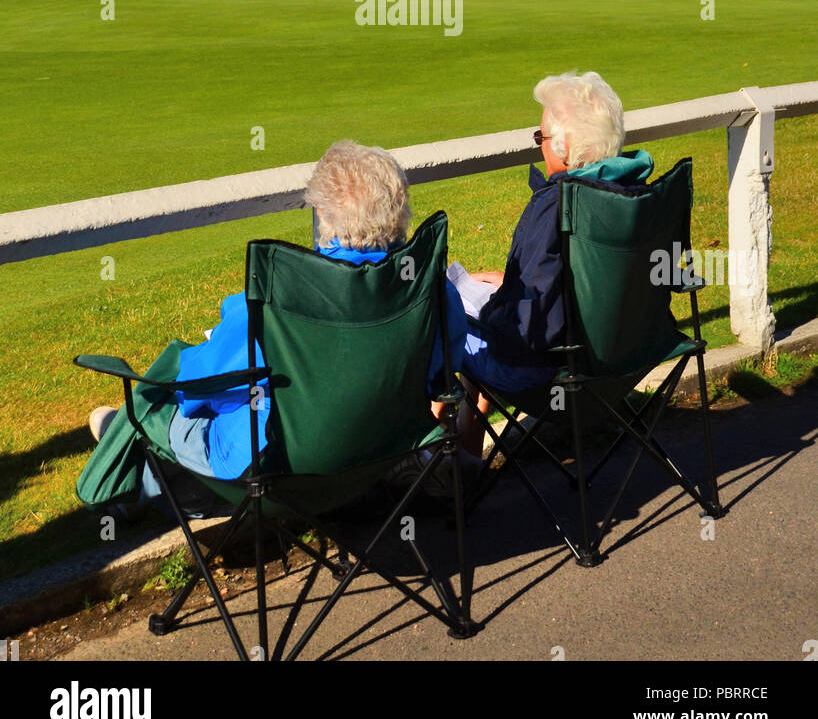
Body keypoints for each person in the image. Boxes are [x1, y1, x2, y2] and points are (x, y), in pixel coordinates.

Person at [89, 141, 468, 504]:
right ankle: (134, 465)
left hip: (282, 470)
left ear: (321, 213)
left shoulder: (277, 306)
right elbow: (441, 373)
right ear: (399, 209)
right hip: (378, 452)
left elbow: (197, 388)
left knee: (161, 407)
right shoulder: (427, 290)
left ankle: (126, 466)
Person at [456, 72, 654, 457]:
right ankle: (461, 463)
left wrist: (490, 297)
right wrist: (511, 282)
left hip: (552, 375)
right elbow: (588, 282)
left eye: (540, 138)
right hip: (627, 360)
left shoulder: (557, 206)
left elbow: (529, 327)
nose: (539, 147)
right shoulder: (636, 195)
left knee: (444, 313)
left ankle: (440, 468)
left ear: (563, 147)